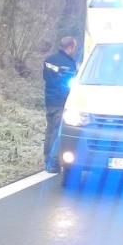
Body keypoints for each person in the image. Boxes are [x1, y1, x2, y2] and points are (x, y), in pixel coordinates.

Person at [43, 35, 80, 171]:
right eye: (74, 47)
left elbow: (48, 79)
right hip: (61, 102)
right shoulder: (69, 64)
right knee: (58, 132)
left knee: (49, 130)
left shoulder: (49, 60)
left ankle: (46, 158)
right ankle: (52, 163)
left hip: (49, 101)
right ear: (70, 47)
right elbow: (68, 84)